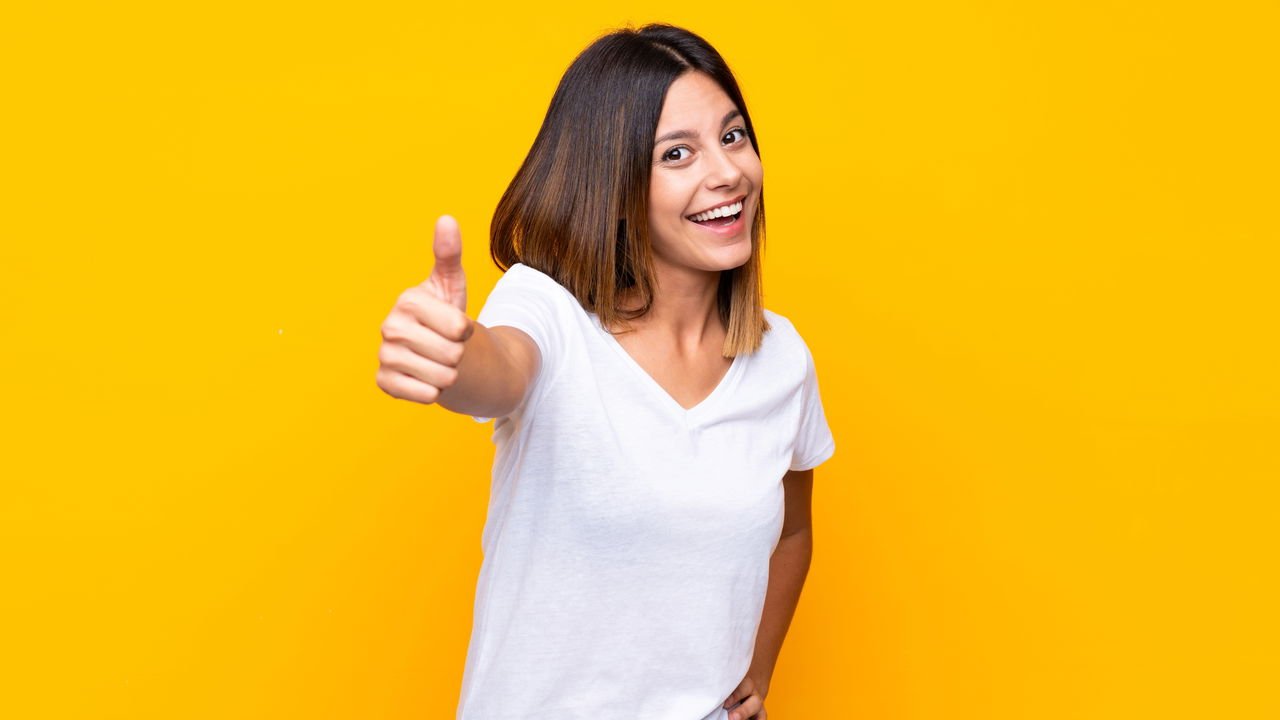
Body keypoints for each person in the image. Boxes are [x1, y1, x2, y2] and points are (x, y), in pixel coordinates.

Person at [376, 23, 834, 720]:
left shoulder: (782, 359)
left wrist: (758, 667)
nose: (727, 173)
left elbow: (793, 532)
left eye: (733, 136)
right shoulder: (549, 312)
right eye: (676, 153)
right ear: (614, 181)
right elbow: (499, 370)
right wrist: (450, 354)